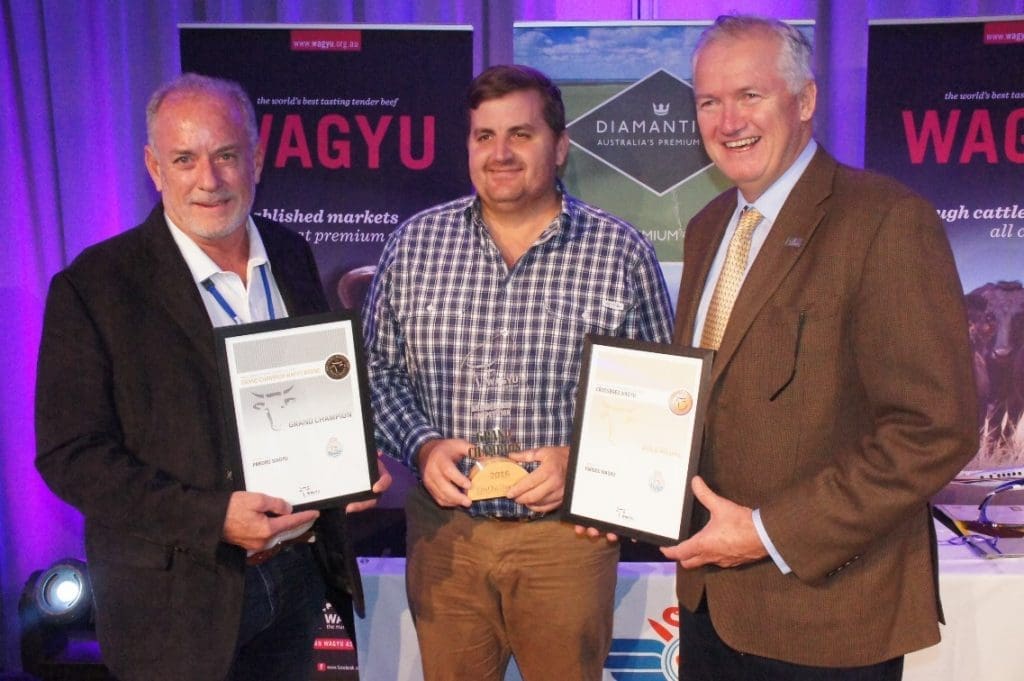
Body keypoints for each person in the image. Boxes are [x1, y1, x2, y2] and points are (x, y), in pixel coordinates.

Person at [35, 73, 389, 681]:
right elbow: (71, 455)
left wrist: (348, 462)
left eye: (226, 154)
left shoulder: (292, 253)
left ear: (257, 156)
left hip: (298, 580)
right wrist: (212, 517)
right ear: (154, 166)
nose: (209, 179)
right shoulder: (95, 287)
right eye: (185, 158)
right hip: (174, 606)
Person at [659, 15, 977, 680]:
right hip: (709, 608)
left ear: (804, 101)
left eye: (750, 95)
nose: (727, 120)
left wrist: (769, 531)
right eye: (708, 101)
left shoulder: (885, 220)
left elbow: (934, 428)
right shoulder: (708, 227)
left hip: (828, 617)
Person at [363, 64, 673, 681]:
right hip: (444, 538)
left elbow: (661, 402)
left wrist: (580, 461)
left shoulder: (621, 253)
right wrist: (422, 448)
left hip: (566, 540)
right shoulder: (413, 245)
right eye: (484, 136)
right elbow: (376, 375)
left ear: (559, 146)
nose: (499, 153)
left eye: (521, 135)